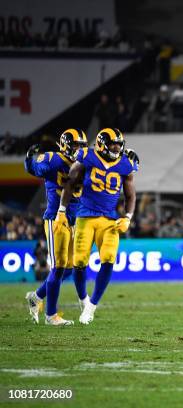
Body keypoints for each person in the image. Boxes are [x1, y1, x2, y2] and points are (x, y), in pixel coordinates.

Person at [57, 128, 139, 324]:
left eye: (119, 144)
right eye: (113, 144)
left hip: (109, 220)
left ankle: (91, 307)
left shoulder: (125, 164)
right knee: (78, 262)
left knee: (109, 258)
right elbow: (70, 182)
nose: (117, 148)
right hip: (85, 216)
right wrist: (61, 210)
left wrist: (128, 216)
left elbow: (130, 195)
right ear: (102, 143)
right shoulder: (87, 157)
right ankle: (83, 298)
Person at [24, 129, 87, 325]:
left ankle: (36, 297)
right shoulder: (53, 159)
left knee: (70, 268)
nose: (79, 150)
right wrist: (29, 158)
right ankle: (51, 315)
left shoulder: (85, 163)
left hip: (74, 218)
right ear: (66, 145)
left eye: (82, 146)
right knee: (59, 267)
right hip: (56, 218)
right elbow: (34, 169)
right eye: (76, 145)